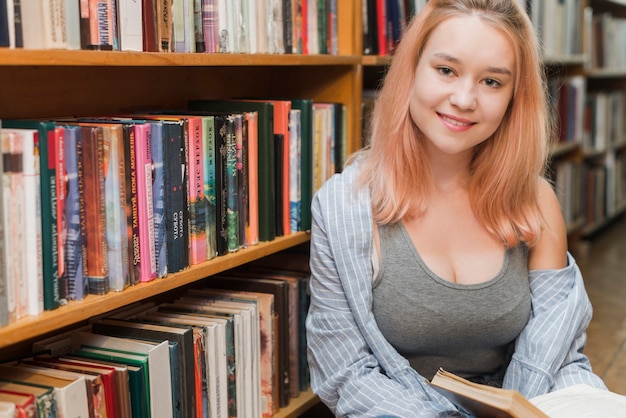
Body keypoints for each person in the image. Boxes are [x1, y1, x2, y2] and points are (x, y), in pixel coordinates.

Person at [305, 0, 608, 416]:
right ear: (411, 70)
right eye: (446, 70)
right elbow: (345, 372)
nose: (465, 99)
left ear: (513, 99)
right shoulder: (343, 208)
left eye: (492, 82)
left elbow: (559, 358)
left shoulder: (535, 200)